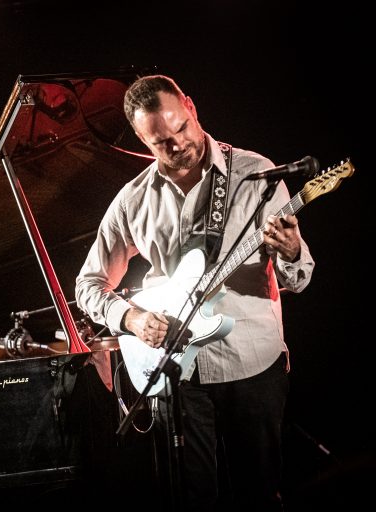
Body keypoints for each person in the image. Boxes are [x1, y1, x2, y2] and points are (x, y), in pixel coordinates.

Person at [75, 75, 315, 511]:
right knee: (191, 499)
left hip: (252, 366)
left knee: (259, 495)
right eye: (160, 141)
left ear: (190, 105)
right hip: (177, 376)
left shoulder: (255, 175)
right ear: (142, 139)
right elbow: (88, 284)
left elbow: (299, 278)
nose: (178, 144)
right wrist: (131, 319)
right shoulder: (133, 200)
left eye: (182, 127)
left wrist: (291, 250)